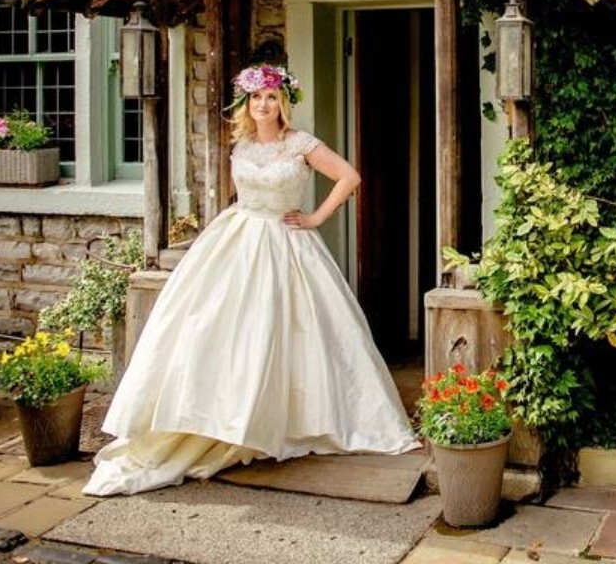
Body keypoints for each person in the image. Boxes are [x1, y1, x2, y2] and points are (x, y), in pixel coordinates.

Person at [84, 63, 416, 496]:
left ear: (283, 102)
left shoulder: (300, 143)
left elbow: (349, 176)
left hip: (286, 241)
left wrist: (316, 217)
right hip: (237, 240)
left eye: (271, 97)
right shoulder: (239, 146)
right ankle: (221, 415)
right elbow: (239, 196)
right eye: (256, 97)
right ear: (247, 103)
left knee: (293, 331)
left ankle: (290, 419)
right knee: (219, 328)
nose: (264, 104)